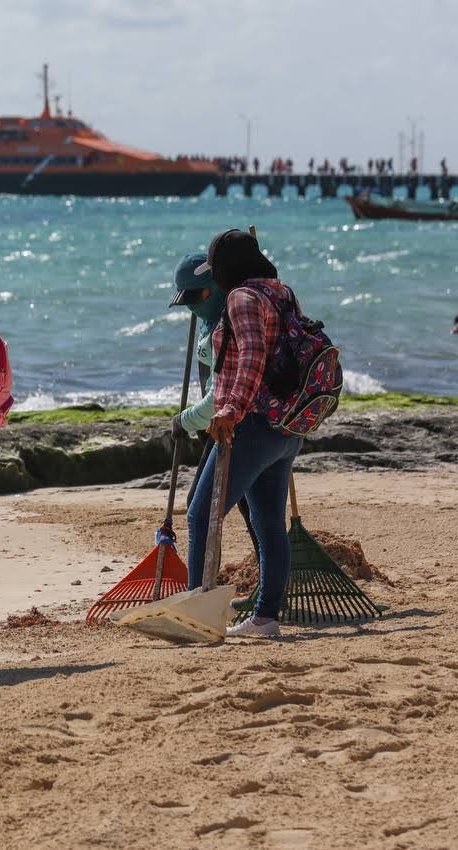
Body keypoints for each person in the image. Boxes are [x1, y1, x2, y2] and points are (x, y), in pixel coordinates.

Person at [185, 230, 303, 638]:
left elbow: (252, 355)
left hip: (251, 425)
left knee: (201, 516)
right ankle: (266, 619)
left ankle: (195, 613)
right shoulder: (282, 292)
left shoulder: (240, 298)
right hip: (286, 426)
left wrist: (231, 409)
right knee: (268, 520)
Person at [167, 253, 261, 559]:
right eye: (187, 300)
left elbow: (217, 397)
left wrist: (184, 421)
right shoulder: (212, 319)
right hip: (231, 424)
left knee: (202, 508)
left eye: (197, 296)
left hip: (235, 423)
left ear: (215, 286)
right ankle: (267, 578)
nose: (192, 305)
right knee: (252, 507)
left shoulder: (227, 323)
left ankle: (202, 586)